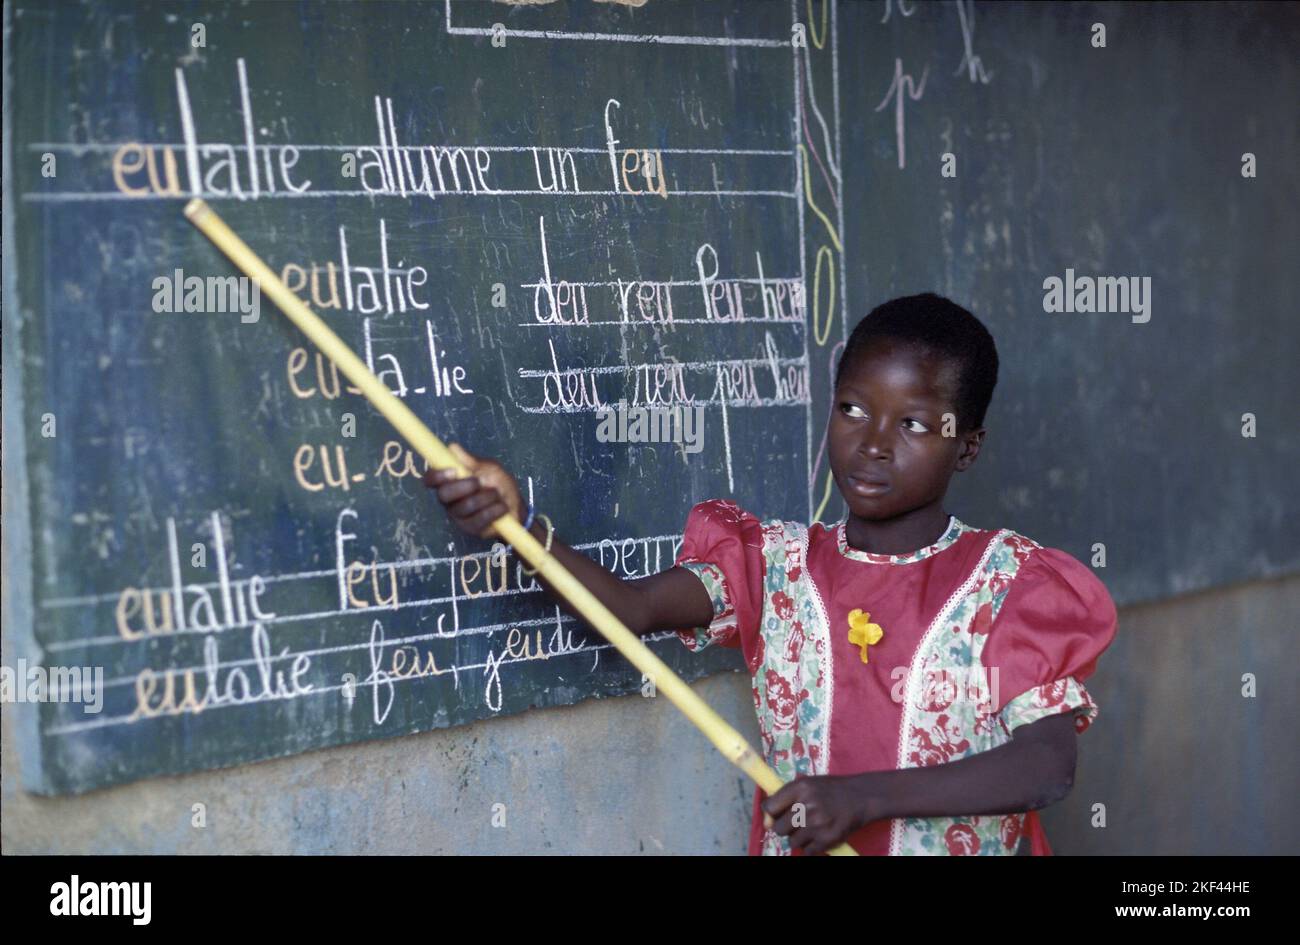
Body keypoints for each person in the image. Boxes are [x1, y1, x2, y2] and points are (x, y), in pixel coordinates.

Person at [425, 292, 1118, 856]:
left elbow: (1045, 767)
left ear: (966, 447)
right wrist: (517, 526)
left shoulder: (1010, 586)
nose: (872, 442)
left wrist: (862, 797)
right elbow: (628, 609)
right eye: (852, 408)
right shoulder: (774, 565)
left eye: (913, 423)